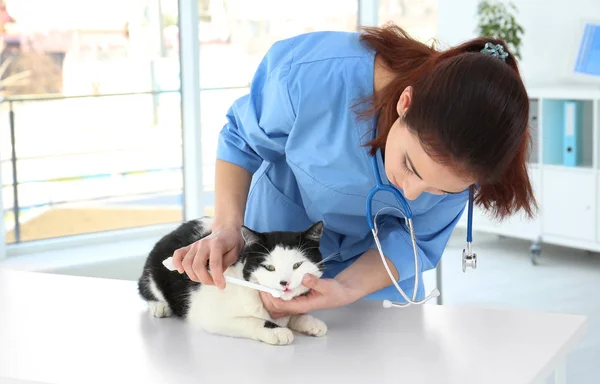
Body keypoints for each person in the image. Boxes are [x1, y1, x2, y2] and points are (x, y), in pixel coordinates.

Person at [172, 23, 536, 318]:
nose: (410, 192)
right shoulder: (315, 77)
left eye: (438, 190)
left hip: (375, 284)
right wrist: (225, 227)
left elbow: (413, 240)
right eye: (410, 165)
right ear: (405, 103)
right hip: (277, 255)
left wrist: (345, 289)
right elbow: (242, 138)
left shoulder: (470, 156)